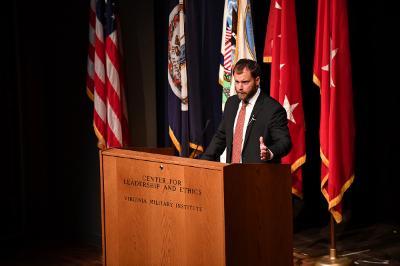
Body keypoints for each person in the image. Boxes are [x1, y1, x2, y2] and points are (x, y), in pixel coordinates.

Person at [201, 59, 291, 163]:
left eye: (245, 82)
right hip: (232, 174)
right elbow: (220, 138)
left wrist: (270, 152)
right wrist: (202, 164)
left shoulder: (272, 109)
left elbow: (285, 142)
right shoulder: (231, 103)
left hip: (258, 176)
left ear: (257, 81)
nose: (239, 87)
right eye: (237, 82)